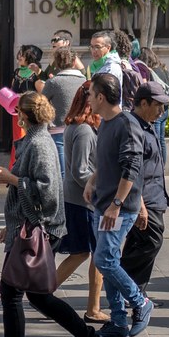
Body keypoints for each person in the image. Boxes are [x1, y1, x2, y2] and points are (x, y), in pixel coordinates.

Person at [0, 92, 108, 337]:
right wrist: (10, 224)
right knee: (38, 297)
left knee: (10, 293)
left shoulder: (39, 143)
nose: (16, 117)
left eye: (17, 113)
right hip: (28, 228)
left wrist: (13, 180)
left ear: (24, 116)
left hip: (39, 231)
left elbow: (47, 193)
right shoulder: (34, 140)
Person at [84, 72, 152, 337]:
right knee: (106, 260)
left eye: (90, 94)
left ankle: (140, 302)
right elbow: (108, 161)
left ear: (101, 97)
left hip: (119, 208)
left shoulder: (126, 124)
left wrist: (116, 204)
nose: (88, 98)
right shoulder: (106, 123)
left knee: (105, 260)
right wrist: (93, 179)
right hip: (105, 203)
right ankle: (118, 320)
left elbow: (132, 168)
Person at [55, 81, 108, 323]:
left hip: (76, 200)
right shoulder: (85, 131)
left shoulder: (75, 127)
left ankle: (43, 293)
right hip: (83, 202)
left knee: (80, 253)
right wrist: (100, 188)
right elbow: (79, 170)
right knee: (96, 254)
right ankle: (93, 308)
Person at [120, 81, 169, 297]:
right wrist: (140, 204)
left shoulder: (146, 124)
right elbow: (131, 169)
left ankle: (134, 292)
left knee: (138, 243)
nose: (162, 111)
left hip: (154, 195)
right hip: (145, 199)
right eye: (158, 105)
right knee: (152, 241)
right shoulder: (133, 128)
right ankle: (123, 282)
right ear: (143, 103)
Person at [41, 48, 86, 175]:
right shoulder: (84, 81)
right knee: (80, 170)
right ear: (73, 62)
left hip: (58, 131)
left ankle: (63, 195)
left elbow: (42, 104)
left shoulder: (53, 82)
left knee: (61, 173)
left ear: (57, 64)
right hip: (81, 129)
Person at [138, 47, 169, 162]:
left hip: (156, 106)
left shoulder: (150, 71)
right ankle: (162, 165)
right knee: (161, 139)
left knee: (155, 138)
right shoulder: (164, 70)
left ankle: (157, 163)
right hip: (166, 106)